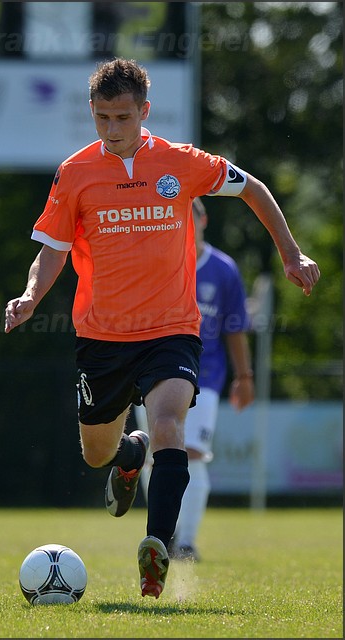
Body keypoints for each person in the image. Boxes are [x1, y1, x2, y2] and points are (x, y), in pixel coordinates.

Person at [4, 58, 320, 599]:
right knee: (96, 453)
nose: (111, 129)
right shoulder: (75, 172)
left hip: (171, 329)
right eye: (101, 117)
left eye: (122, 116)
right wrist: (33, 294)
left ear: (144, 112)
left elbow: (254, 189)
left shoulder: (180, 162)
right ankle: (129, 456)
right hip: (102, 338)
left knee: (171, 425)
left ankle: (157, 549)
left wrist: (291, 253)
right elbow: (51, 251)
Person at [135, 196, 255, 562]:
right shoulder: (156, 262)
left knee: (195, 455)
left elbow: (235, 328)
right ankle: (163, 534)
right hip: (154, 374)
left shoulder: (223, 269)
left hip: (208, 375)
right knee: (154, 455)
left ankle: (186, 542)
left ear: (203, 220)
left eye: (190, 217)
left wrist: (244, 376)